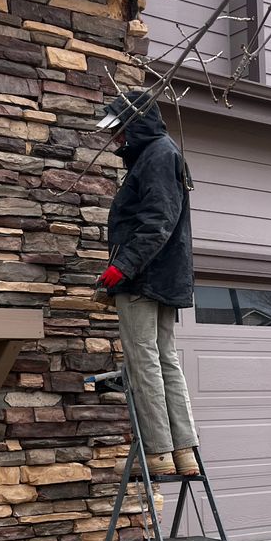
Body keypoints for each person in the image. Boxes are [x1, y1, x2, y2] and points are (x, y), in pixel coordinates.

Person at [96, 90, 200, 478]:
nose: (116, 139)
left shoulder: (156, 156)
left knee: (144, 363)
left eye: (120, 130)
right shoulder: (162, 153)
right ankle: (183, 451)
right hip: (163, 277)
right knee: (165, 361)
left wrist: (120, 268)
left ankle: (157, 452)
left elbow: (157, 221)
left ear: (134, 124)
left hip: (144, 278)